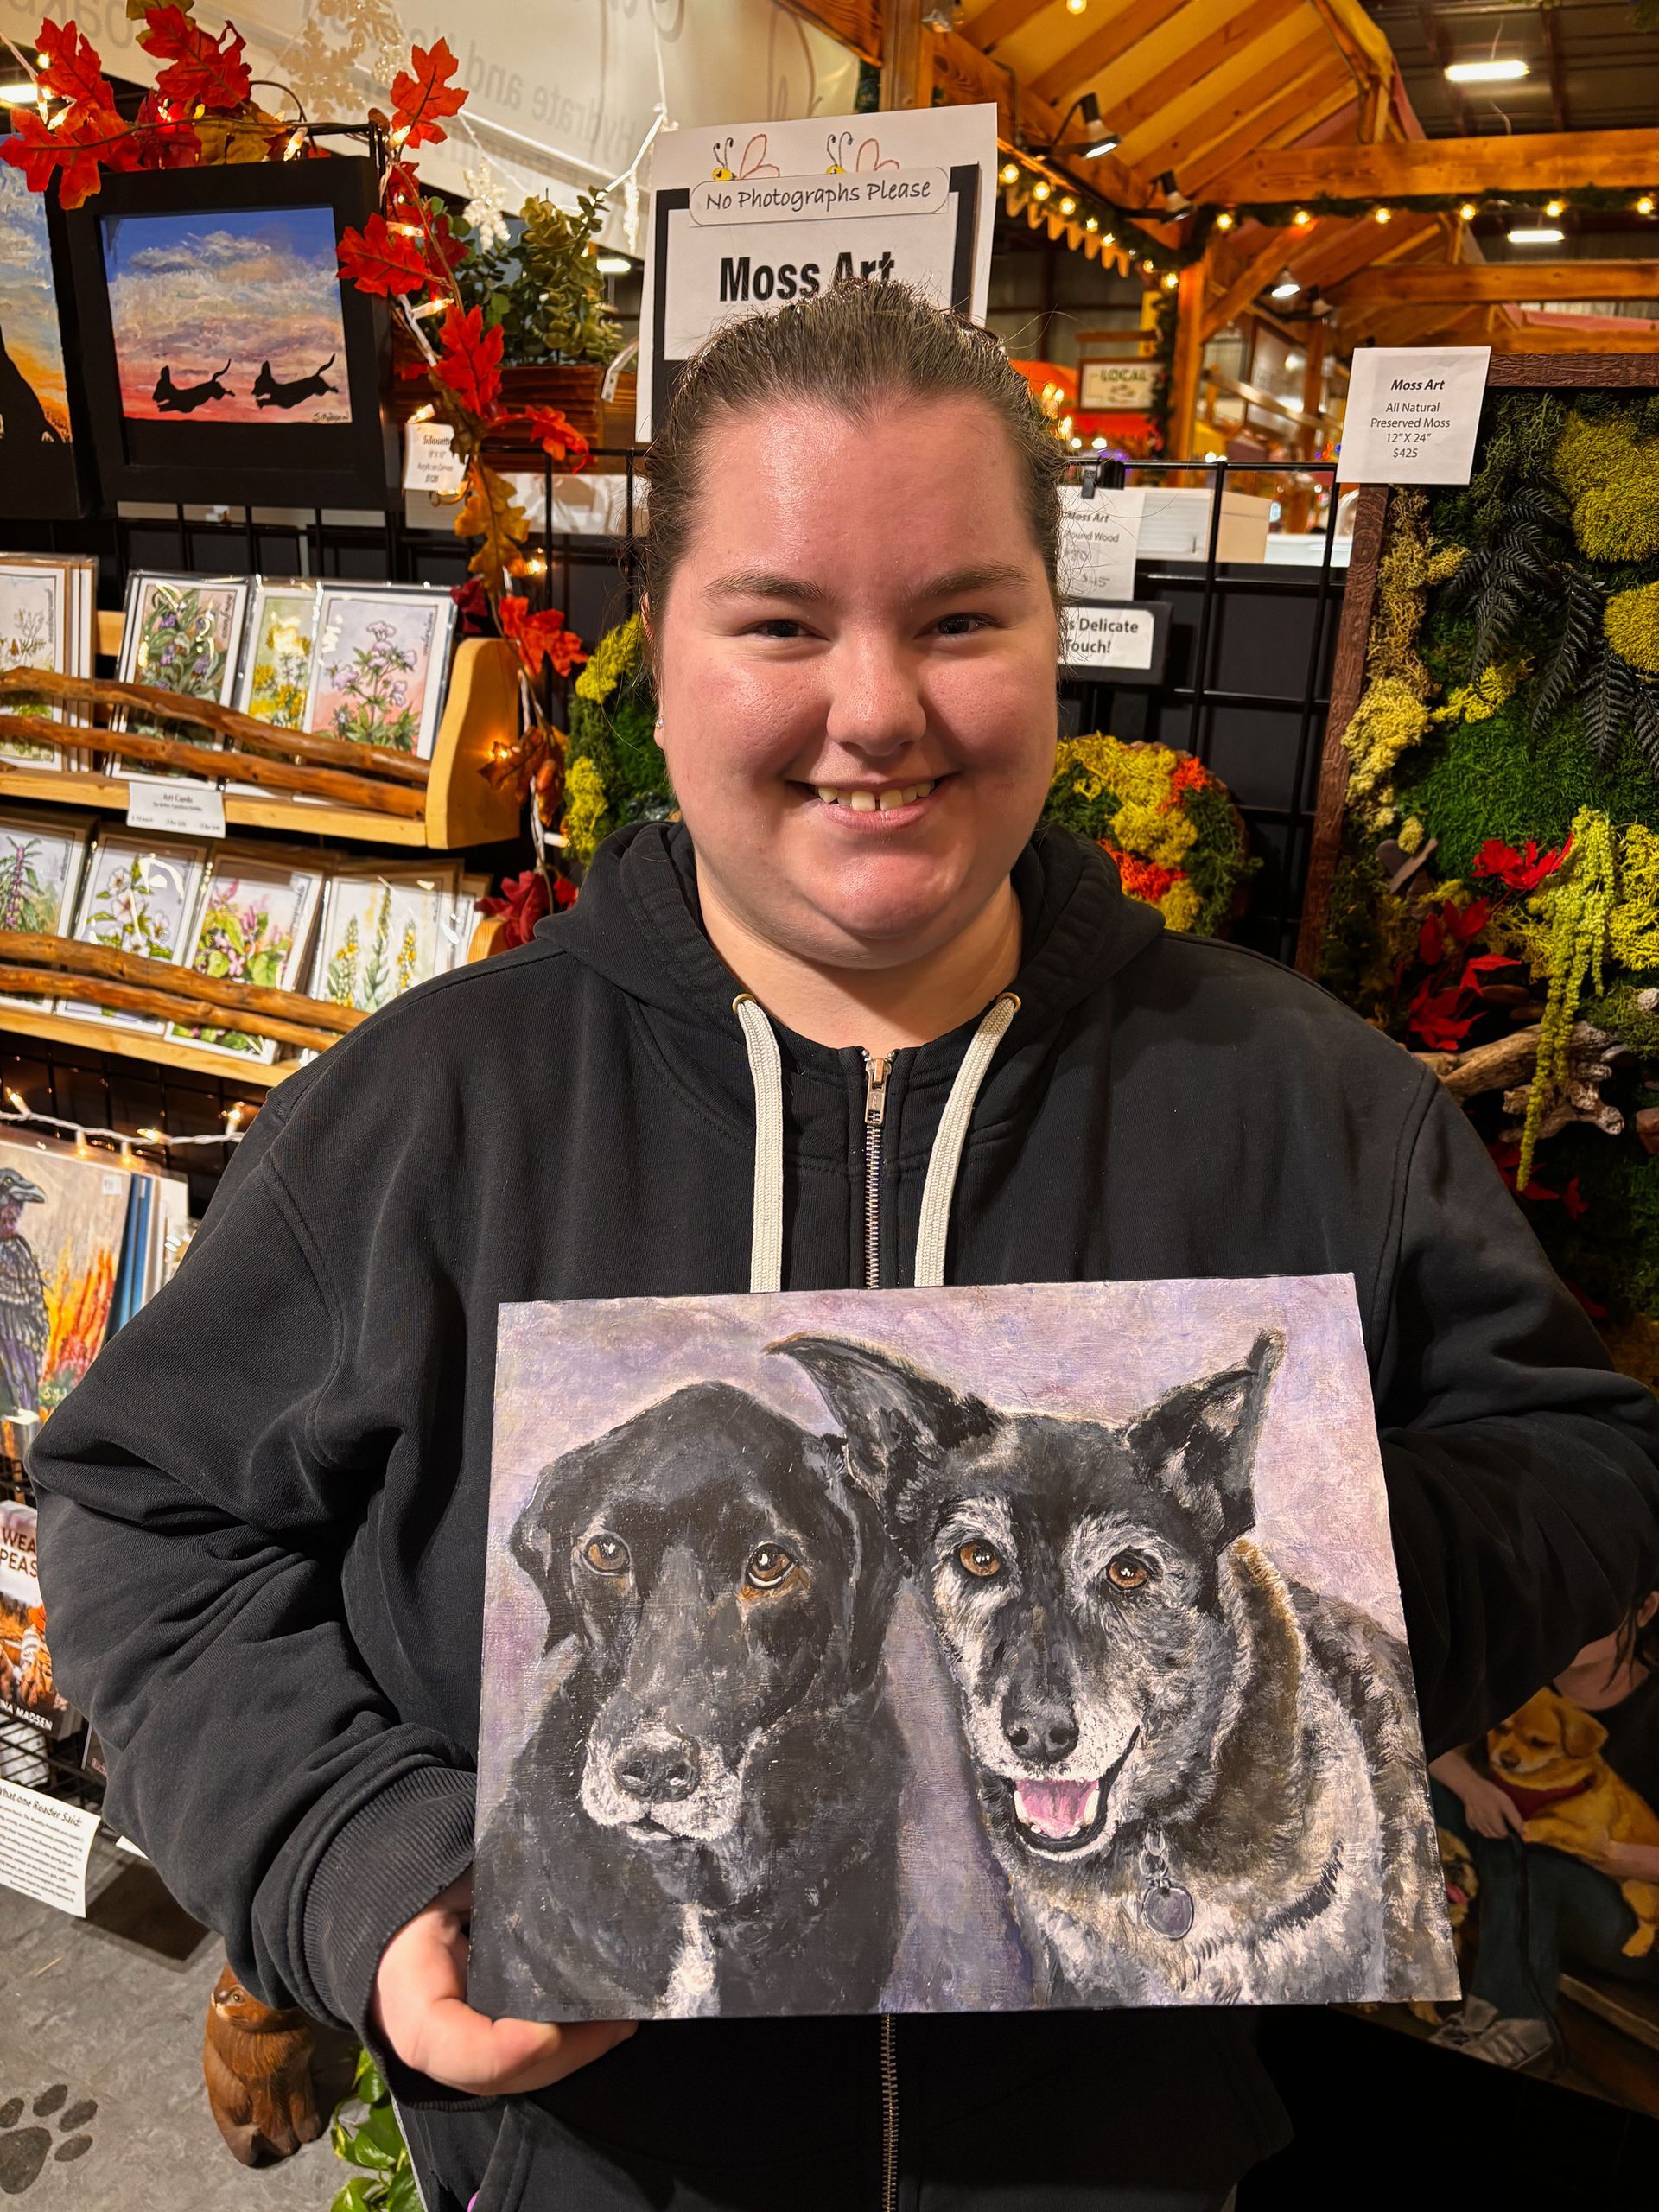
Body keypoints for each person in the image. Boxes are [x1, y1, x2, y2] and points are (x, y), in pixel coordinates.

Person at [30, 282, 1659, 2212]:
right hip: (589, 2157)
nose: (875, 708)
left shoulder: (1309, 1102)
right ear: (668, 655)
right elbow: (143, 1506)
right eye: (784, 622)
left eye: (961, 617)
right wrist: (360, 1858)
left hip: (1113, 2160)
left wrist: (1307, 1568)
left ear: (1058, 646)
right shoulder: (430, 1112)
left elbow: (1580, 1455)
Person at [1430, 1587, 1659, 2071]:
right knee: (1442, 1797)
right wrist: (1475, 1788)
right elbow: (1428, 1741)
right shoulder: (1520, 1669)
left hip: (1631, 1916)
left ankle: (1518, 2019)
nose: (1574, 1612)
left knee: (1540, 1855)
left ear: (1646, 1608)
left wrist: (1604, 1852)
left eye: (1602, 1591)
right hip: (1510, 1871)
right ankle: (1485, 2012)